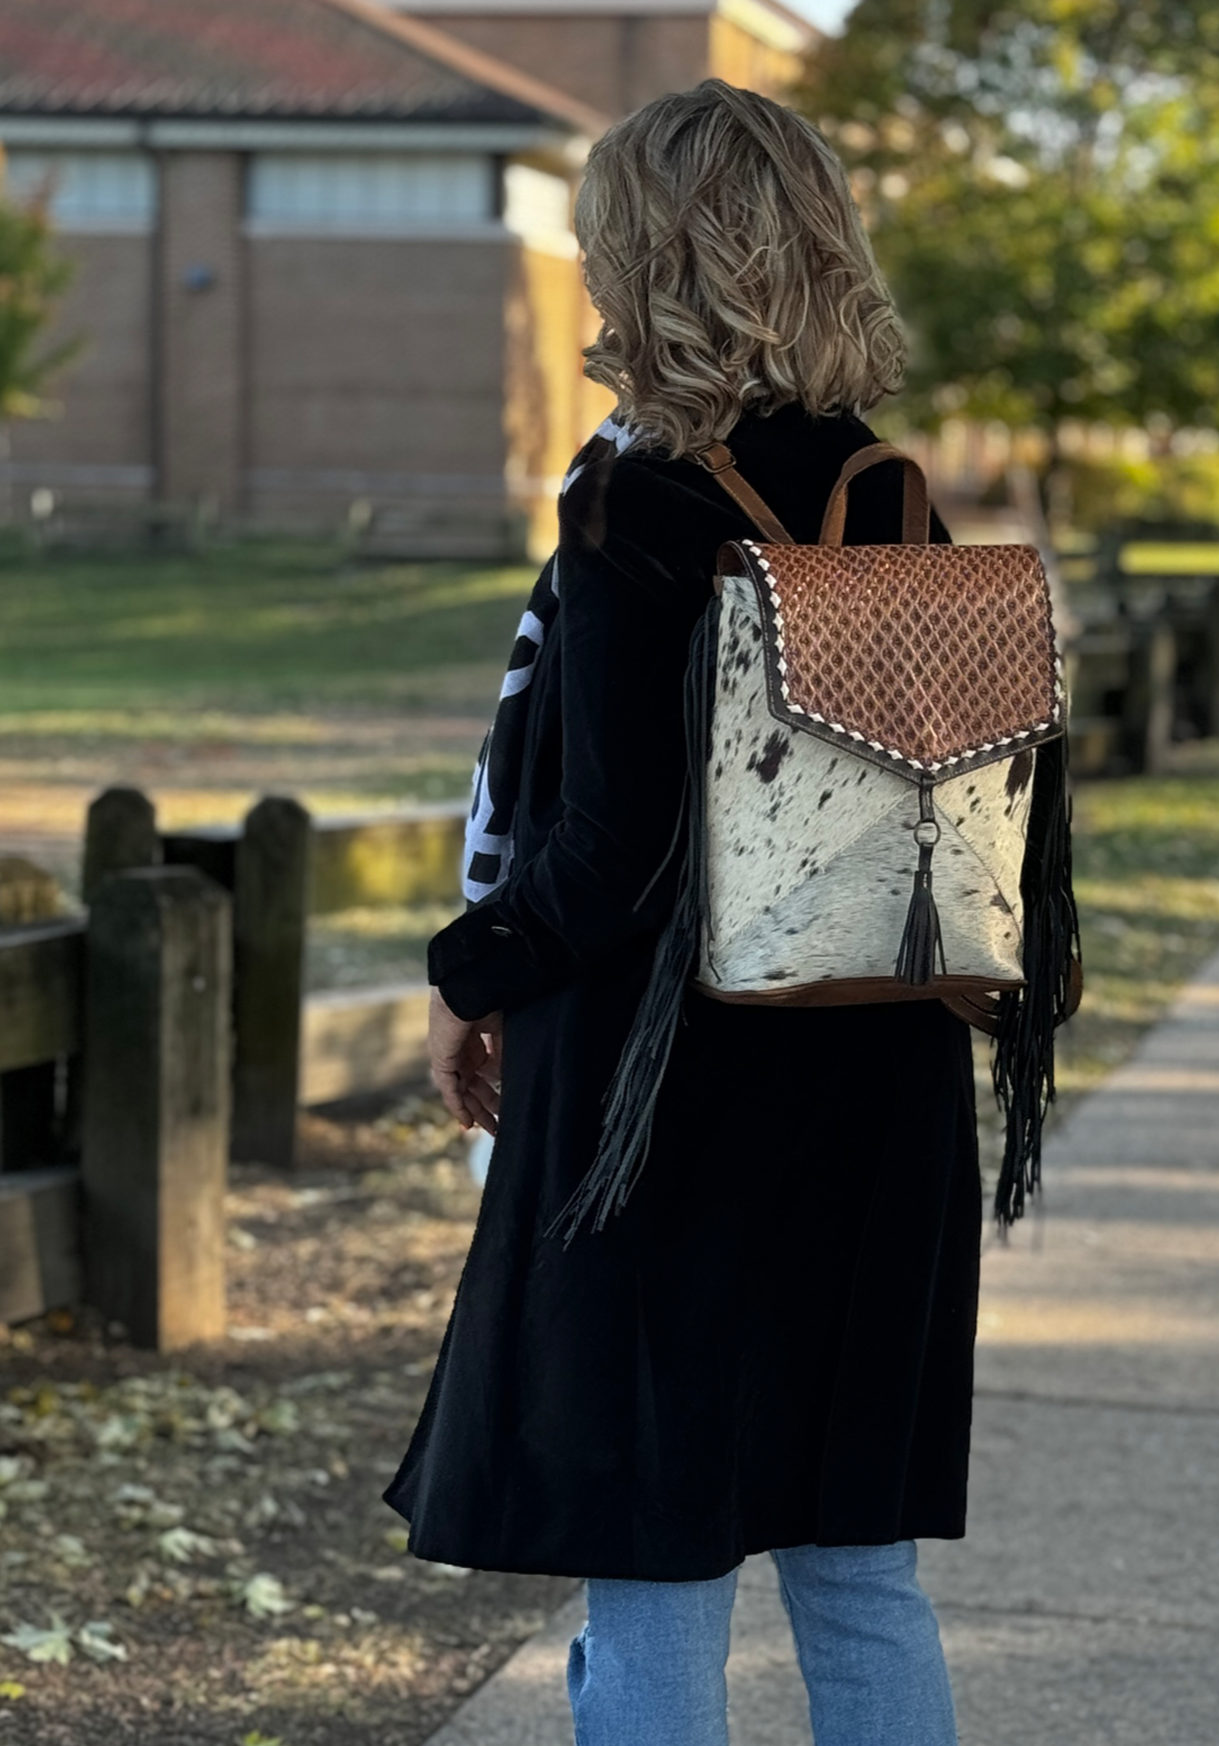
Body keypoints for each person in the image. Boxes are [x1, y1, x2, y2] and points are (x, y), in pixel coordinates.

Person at [384, 80, 979, 1746]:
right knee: (861, 1575)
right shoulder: (895, 493)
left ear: (652, 265)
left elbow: (612, 851)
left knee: (653, 1563)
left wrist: (468, 968)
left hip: (669, 1100)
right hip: (877, 1082)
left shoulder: (639, 507)